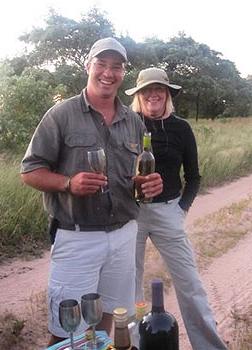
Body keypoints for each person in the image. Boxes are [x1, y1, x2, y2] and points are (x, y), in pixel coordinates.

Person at [20, 39, 162, 347]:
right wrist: (67, 184)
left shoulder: (133, 122)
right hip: (77, 237)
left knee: (110, 316)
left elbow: (133, 178)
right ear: (88, 66)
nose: (108, 73)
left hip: (124, 234)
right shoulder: (61, 115)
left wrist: (143, 184)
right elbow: (29, 171)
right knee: (67, 328)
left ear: (123, 72)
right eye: (101, 64)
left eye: (116, 66)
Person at [125, 67, 227, 350]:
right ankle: (134, 345)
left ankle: (209, 346)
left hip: (168, 211)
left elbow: (193, 177)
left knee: (190, 283)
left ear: (167, 93)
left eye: (159, 89)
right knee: (129, 284)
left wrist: (180, 210)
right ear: (139, 95)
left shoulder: (181, 128)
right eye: (147, 90)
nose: (153, 94)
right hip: (131, 214)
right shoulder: (128, 124)